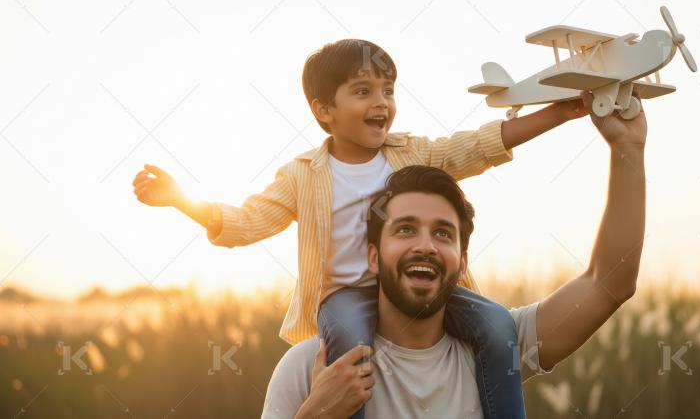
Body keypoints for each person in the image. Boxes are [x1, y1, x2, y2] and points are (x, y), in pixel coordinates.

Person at [131, 39, 590, 419]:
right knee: (350, 348)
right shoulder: (302, 175)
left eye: (388, 91)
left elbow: (475, 148)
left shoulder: (410, 153)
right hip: (345, 297)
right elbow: (247, 222)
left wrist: (557, 113)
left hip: (411, 285)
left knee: (496, 323)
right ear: (324, 110)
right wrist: (182, 201)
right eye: (363, 91)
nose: (381, 103)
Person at [261, 90, 647, 418]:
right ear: (374, 257)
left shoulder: (498, 348)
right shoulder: (313, 366)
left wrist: (628, 148)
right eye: (405, 229)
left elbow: (609, 282)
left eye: (443, 233)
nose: (425, 245)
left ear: (462, 262)